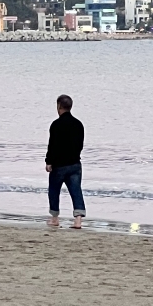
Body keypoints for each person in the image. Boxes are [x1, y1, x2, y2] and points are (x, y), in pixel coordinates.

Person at [46, 94, 85, 229]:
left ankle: (55, 218)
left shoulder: (56, 125)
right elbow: (80, 145)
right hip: (75, 163)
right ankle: (78, 220)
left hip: (59, 165)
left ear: (59, 106)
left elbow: (53, 145)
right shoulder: (78, 124)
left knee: (54, 190)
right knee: (76, 191)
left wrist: (48, 161)